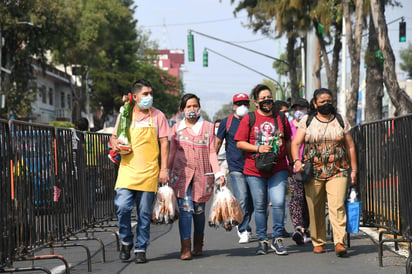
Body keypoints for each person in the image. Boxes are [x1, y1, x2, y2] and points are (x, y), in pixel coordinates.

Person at [291, 88, 358, 257]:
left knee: (337, 206)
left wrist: (354, 169)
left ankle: (339, 243)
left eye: (329, 101)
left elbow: (350, 146)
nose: (326, 104)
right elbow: (295, 144)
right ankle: (318, 241)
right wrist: (296, 161)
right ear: (315, 104)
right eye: (322, 102)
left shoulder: (341, 120)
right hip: (312, 171)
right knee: (315, 207)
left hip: (338, 170)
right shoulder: (307, 120)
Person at [110, 79, 171, 264]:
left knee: (144, 213)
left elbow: (164, 142)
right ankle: (126, 240)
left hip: (150, 171)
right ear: (135, 97)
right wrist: (115, 144)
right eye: (145, 94)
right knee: (122, 207)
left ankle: (140, 248)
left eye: (151, 93)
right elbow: (114, 138)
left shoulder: (158, 115)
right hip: (127, 170)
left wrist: (164, 168)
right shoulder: (125, 114)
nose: (149, 97)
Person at [234, 84, 292, 256]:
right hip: (255, 169)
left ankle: (278, 238)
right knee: (260, 206)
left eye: (269, 97)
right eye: (263, 98)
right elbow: (240, 143)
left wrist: (291, 161)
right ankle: (262, 240)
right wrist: (258, 149)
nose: (267, 100)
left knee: (279, 202)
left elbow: (288, 140)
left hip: (278, 167)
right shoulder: (249, 118)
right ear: (256, 101)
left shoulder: (281, 118)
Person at [168, 93, 225, 260]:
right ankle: (185, 247)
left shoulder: (208, 127)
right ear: (182, 110)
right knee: (186, 210)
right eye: (188, 107)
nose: (192, 110)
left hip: (203, 175)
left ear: (199, 108)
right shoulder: (176, 128)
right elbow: (172, 152)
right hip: (181, 175)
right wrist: (165, 170)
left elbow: (212, 152)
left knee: (199, 211)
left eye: (194, 106)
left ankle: (198, 243)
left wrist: (218, 173)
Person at [215, 93, 254, 244]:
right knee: (242, 198)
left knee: (253, 202)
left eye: (245, 103)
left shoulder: (252, 120)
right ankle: (243, 229)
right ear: (233, 106)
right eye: (239, 103)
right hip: (236, 166)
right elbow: (217, 143)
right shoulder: (227, 122)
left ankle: (244, 222)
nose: (242, 106)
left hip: (253, 166)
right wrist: (215, 165)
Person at [288, 98, 311, 245]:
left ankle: (306, 228)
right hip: (293, 167)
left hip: (310, 166)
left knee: (308, 200)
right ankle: (299, 228)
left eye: (301, 108)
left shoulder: (312, 125)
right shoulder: (288, 126)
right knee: (296, 197)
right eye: (296, 108)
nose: (299, 111)